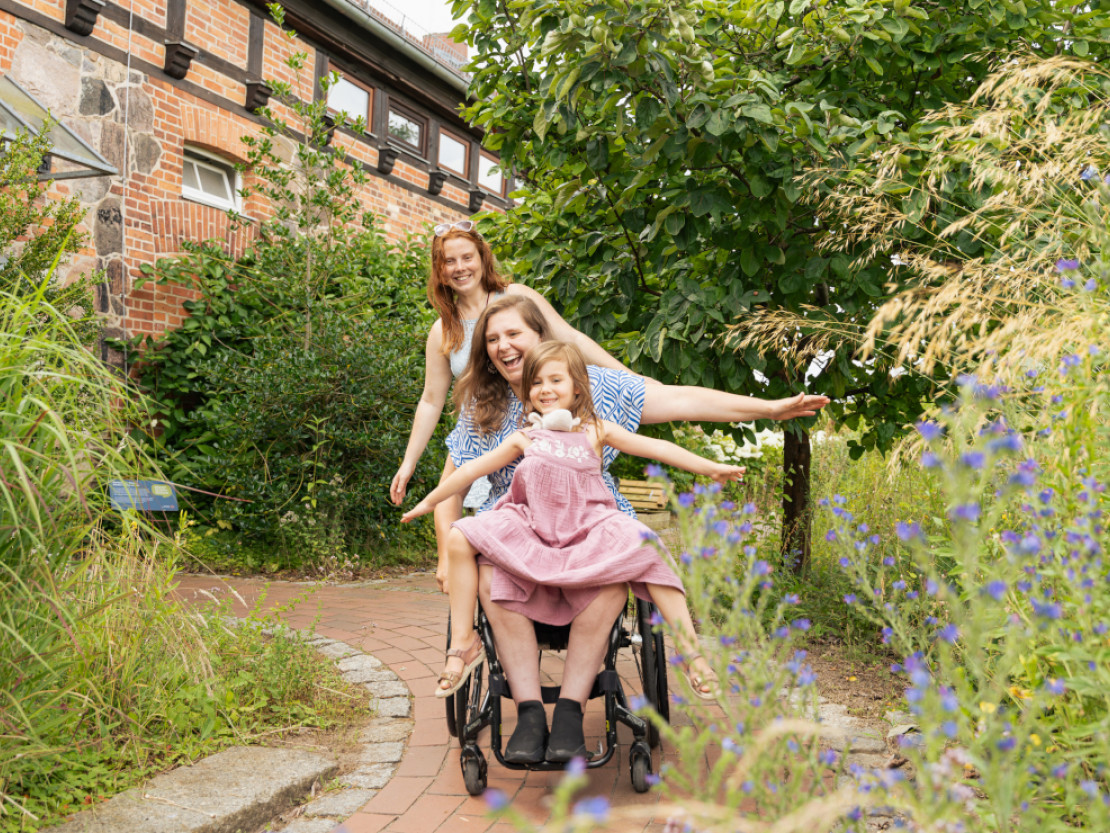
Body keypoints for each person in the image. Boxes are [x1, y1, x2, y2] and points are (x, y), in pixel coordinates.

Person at [402, 341, 745, 762]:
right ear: (528, 394)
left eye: (555, 380)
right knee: (461, 535)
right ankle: (465, 645)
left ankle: (693, 656)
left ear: (576, 389)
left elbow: (658, 450)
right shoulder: (525, 436)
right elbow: (471, 470)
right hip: (532, 530)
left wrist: (710, 468)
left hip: (587, 530)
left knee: (649, 546)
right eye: (537, 383)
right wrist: (429, 502)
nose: (545, 389)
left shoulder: (596, 430)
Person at [387, 221, 644, 568]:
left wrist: (630, 378)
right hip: (484, 422)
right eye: (450, 261)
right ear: (441, 271)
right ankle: (452, 572)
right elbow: (431, 400)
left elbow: (571, 339)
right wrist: (408, 461)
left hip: (537, 410)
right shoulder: (443, 330)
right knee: (450, 493)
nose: (460, 267)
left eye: (467, 257)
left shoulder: (515, 297)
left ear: (482, 258)